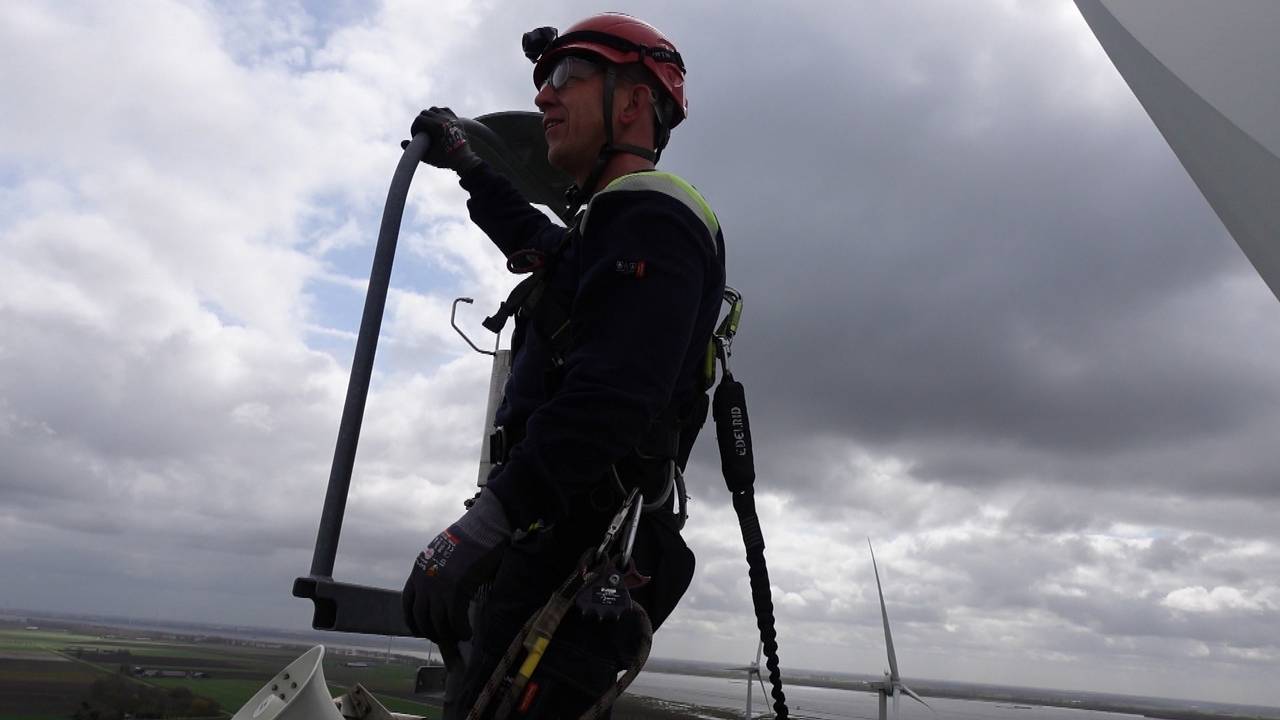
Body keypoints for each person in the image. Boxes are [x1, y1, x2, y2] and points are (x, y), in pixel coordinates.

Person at [402, 13, 726, 718]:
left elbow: (613, 398)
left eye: (564, 78)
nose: (544, 97)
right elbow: (537, 244)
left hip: (581, 553)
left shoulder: (655, 217)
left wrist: (484, 524)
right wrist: (470, 167)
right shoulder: (609, 226)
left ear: (635, 103)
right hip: (556, 540)